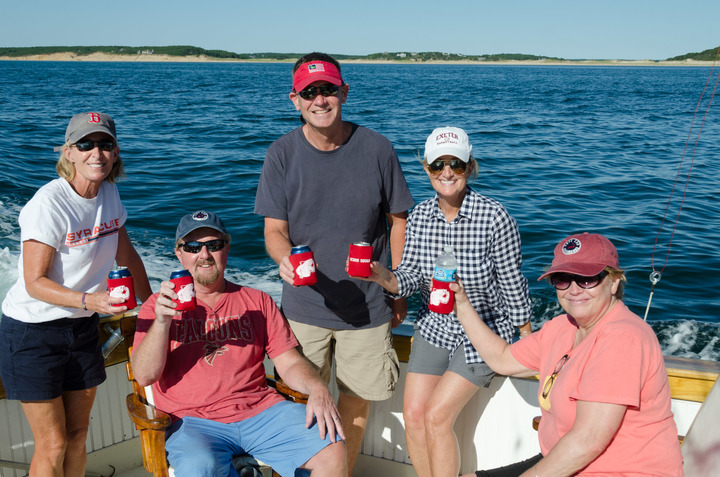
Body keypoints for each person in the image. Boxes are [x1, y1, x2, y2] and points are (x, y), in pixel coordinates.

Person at [254, 52, 414, 471]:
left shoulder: (378, 148)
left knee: (356, 408)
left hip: (368, 308)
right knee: (298, 407)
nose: (320, 100)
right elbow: (274, 231)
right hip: (304, 308)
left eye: (328, 90)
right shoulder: (281, 154)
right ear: (295, 100)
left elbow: (398, 223)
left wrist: (397, 287)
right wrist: (284, 259)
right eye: (310, 92)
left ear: (344, 92)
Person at [358, 126, 532, 477]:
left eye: (455, 163)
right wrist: (382, 277)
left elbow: (513, 284)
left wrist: (529, 339)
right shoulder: (419, 217)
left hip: (482, 331)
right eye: (438, 165)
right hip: (435, 327)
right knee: (416, 416)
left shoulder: (495, 217)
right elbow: (408, 276)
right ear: (427, 169)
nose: (447, 172)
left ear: (470, 166)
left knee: (437, 416)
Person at [131, 211, 347, 477]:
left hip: (262, 412)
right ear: (179, 254)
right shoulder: (157, 306)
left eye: (214, 245)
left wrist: (318, 387)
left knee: (331, 445)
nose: (204, 254)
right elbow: (144, 376)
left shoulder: (257, 301)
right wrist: (163, 322)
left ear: (227, 249)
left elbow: (289, 361)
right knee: (200, 469)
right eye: (193, 247)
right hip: (192, 422)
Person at [455, 232, 683, 477]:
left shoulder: (623, 338)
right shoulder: (563, 326)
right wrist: (462, 304)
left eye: (587, 279)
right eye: (563, 279)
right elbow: (502, 358)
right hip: (567, 460)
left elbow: (589, 440)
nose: (574, 290)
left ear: (614, 282)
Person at [0, 111, 152, 476]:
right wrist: (91, 300)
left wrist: (153, 304)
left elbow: (126, 255)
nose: (95, 153)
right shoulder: (49, 205)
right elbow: (35, 281)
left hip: (81, 330)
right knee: (52, 443)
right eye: (85, 144)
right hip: (33, 333)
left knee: (79, 433)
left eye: (105, 144)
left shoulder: (110, 194)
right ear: (69, 152)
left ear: (116, 153)